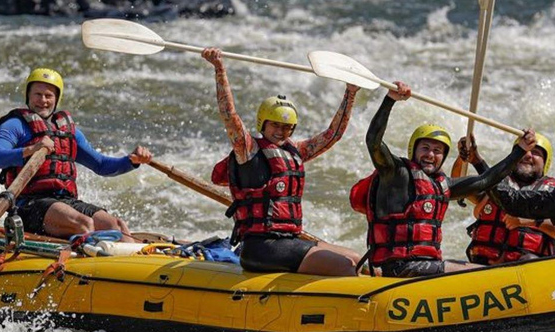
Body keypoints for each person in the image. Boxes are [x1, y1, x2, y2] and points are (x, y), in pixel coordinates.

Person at [349, 82, 537, 277]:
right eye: (425, 148)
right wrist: (390, 100)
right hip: (400, 267)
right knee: (483, 273)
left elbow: (486, 180)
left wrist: (520, 150)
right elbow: (374, 142)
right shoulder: (396, 173)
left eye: (437, 151)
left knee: (474, 269)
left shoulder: (443, 185)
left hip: (426, 267)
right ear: (414, 150)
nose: (431, 154)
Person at [202, 47, 362, 276]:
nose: (281, 131)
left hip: (289, 240)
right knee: (343, 265)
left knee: (355, 258)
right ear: (263, 124)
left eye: (287, 127)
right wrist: (219, 69)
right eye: (275, 125)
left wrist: (351, 92)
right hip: (261, 247)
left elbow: (332, 136)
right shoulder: (247, 149)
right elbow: (229, 115)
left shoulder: (295, 151)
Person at [0, 67, 153, 241]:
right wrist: (31, 149)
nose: (42, 100)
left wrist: (131, 160)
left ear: (56, 99)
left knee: (117, 226)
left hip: (66, 201)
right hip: (28, 205)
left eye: (48, 95)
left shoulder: (68, 132)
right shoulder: (14, 125)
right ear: (28, 96)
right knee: (83, 224)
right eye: (37, 94)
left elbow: (101, 165)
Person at [457, 132, 555, 264]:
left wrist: (530, 221)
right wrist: (464, 157)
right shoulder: (493, 182)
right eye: (524, 151)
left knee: (529, 260)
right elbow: (457, 184)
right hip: (482, 268)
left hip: (528, 272)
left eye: (536, 152)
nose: (528, 155)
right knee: (448, 266)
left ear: (545, 162)